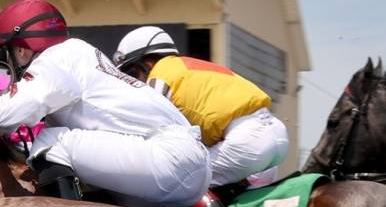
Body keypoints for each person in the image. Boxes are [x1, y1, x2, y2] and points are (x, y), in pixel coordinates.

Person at [0, 0, 208, 207]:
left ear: (22, 49)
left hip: (168, 160)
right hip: (186, 164)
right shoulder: (78, 54)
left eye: (4, 55)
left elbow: (4, 117)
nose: (6, 64)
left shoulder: (54, 61)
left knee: (50, 143)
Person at [112, 26, 289, 192]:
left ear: (148, 63)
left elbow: (147, 128)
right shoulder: (190, 66)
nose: (135, 82)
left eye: (133, 74)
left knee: (175, 182)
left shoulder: (160, 74)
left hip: (247, 142)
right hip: (276, 136)